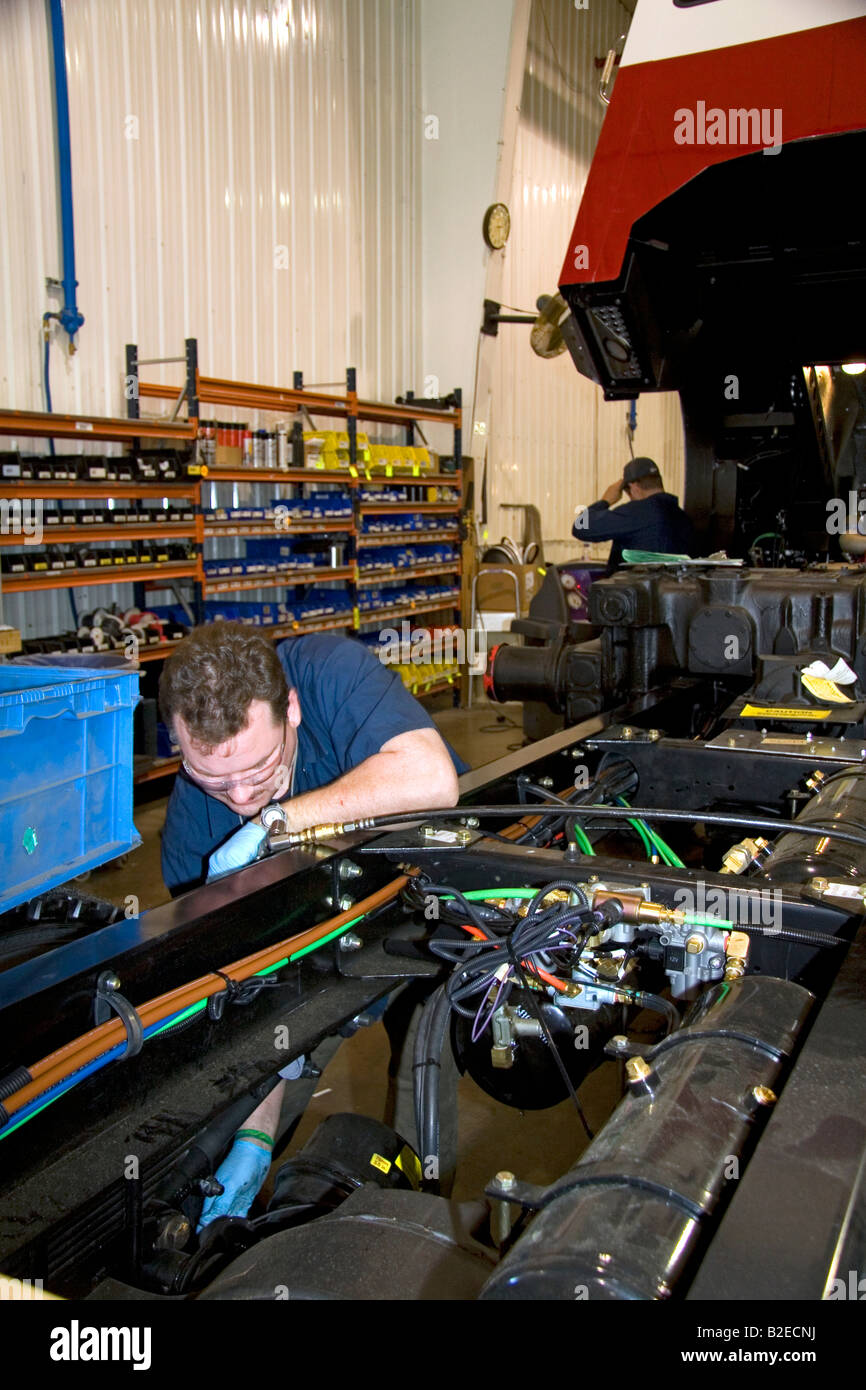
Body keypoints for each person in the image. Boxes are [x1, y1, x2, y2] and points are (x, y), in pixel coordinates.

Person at [158, 622, 464, 1224]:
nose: (240, 797)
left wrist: (275, 823)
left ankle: (415, 1232)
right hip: (319, 945)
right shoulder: (192, 838)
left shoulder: (327, 671)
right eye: (214, 780)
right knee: (250, 1097)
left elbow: (431, 780)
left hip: (426, 902)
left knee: (427, 1056)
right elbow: (252, 997)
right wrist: (257, 1136)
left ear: (291, 709)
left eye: (261, 767)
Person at [572, 456, 695, 573]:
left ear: (634, 488)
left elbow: (581, 527)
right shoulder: (683, 517)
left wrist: (605, 501)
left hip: (635, 592)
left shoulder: (637, 512)